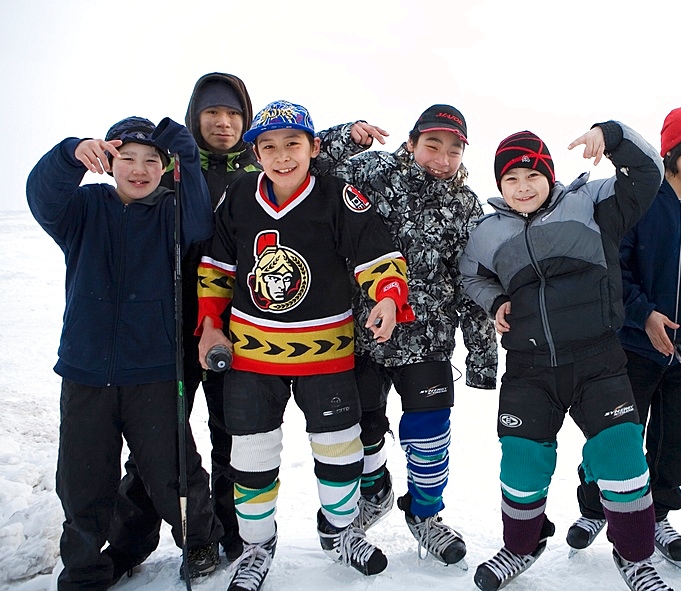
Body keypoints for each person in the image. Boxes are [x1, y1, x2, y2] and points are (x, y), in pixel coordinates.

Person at [195, 100, 416, 591]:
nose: (282, 156)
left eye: (293, 144)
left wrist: (387, 297)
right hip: (251, 356)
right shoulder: (238, 197)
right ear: (256, 153)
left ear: (314, 148)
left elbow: (376, 254)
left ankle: (340, 533)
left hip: (327, 354)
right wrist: (210, 325)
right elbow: (217, 268)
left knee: (339, 453)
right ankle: (256, 548)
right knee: (250, 457)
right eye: (269, 147)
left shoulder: (338, 196)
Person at [460, 122, 674, 591]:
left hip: (596, 359)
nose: (522, 187)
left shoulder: (590, 203)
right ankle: (521, 545)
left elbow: (649, 174)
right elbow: (470, 278)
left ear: (549, 175)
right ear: (499, 185)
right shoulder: (487, 231)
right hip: (528, 370)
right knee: (521, 463)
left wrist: (612, 136)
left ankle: (635, 557)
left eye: (531, 175)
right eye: (510, 179)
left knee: (620, 457)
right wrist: (496, 302)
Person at [27, 116, 222, 590]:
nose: (139, 170)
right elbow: (41, 197)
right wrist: (70, 151)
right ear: (110, 161)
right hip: (86, 370)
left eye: (151, 160)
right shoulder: (83, 208)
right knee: (82, 481)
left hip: (153, 370)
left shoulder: (173, 213)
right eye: (128, 158)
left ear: (163, 168)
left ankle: (199, 543)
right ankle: (83, 570)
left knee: (174, 470)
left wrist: (189, 158)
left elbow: (202, 221)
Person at [312, 104, 497, 567]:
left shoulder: (467, 205)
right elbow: (305, 162)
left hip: (429, 338)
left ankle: (425, 516)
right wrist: (347, 137)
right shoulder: (370, 171)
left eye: (453, 150)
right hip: (360, 334)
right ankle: (367, 499)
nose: (441, 157)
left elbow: (471, 281)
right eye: (432, 144)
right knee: (363, 431)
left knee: (430, 433)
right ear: (411, 142)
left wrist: (481, 357)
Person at [567, 108, 681, 572]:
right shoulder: (643, 204)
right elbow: (614, 269)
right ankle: (595, 507)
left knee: (678, 443)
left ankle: (659, 514)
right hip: (633, 345)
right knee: (615, 435)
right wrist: (644, 314)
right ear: (673, 151)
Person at [108, 72, 259, 570]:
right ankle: (131, 540)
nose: (223, 122)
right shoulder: (168, 170)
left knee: (230, 434)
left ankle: (228, 532)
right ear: (195, 116)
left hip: (237, 330)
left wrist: (352, 130)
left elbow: (311, 156)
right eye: (212, 112)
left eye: (234, 114)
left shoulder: (258, 176)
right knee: (160, 439)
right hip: (172, 329)